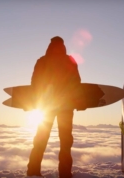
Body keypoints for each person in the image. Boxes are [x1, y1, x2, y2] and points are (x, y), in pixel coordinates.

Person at [27, 36, 83, 178]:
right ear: (63, 46)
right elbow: (76, 83)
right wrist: (78, 101)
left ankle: (33, 171)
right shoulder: (69, 60)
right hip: (66, 105)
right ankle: (65, 174)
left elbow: (35, 83)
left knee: (41, 138)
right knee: (65, 141)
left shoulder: (42, 61)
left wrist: (33, 102)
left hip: (47, 105)